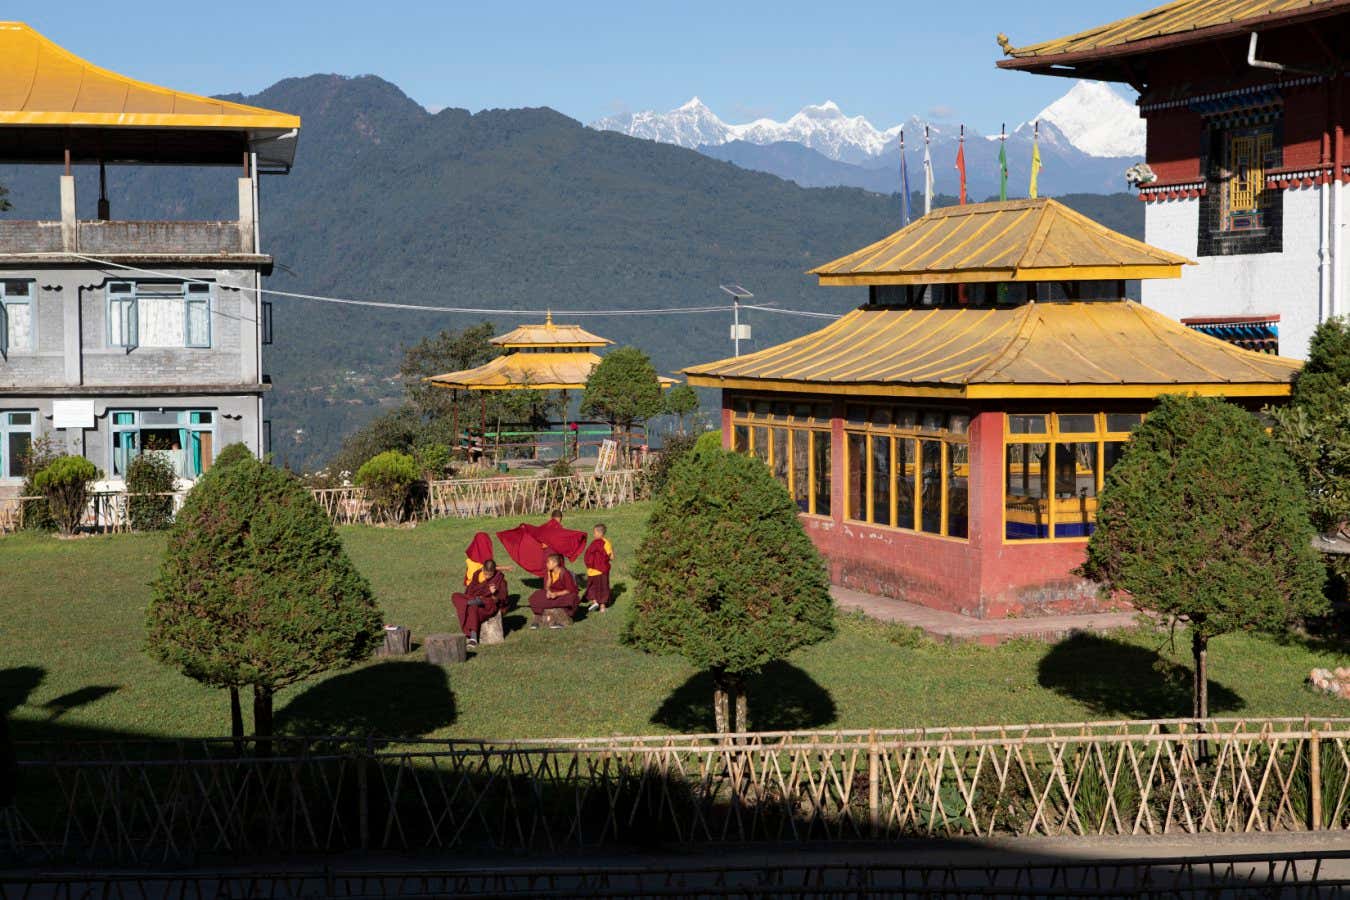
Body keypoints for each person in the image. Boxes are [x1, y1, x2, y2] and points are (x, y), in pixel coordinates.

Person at [452, 558, 506, 646]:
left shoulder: (499, 578)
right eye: (485, 573)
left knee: (473, 608)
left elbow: (501, 598)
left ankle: (473, 638)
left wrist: (494, 593)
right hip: (474, 599)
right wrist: (477, 595)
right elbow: (470, 590)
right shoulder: (477, 574)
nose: (487, 576)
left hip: (487, 604)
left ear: (494, 572)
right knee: (455, 595)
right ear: (483, 569)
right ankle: (470, 602)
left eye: (490, 575)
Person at [528, 552, 578, 628]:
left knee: (571, 598)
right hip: (553, 593)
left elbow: (570, 590)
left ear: (555, 563)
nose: (547, 564)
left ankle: (557, 618)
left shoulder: (564, 573)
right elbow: (547, 587)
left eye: (548, 562)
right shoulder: (550, 572)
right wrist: (548, 590)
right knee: (536, 596)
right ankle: (539, 617)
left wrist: (556, 594)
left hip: (563, 594)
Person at [583, 523, 613, 613]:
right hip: (601, 570)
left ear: (600, 533)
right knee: (602, 588)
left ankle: (595, 602)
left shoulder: (596, 543)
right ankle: (601, 607)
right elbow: (611, 557)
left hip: (593, 571)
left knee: (592, 588)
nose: (594, 534)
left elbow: (588, 555)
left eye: (595, 532)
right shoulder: (606, 543)